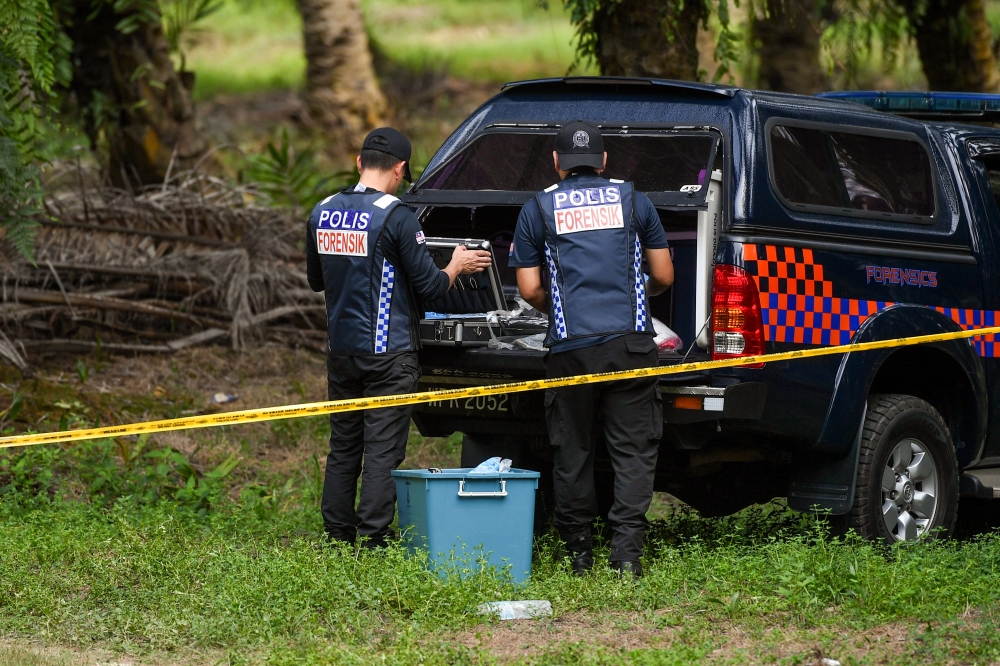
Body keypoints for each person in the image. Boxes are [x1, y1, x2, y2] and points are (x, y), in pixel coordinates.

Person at [306, 127, 492, 548]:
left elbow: (317, 281)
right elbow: (430, 288)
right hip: (390, 355)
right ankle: (373, 538)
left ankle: (338, 534)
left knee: (344, 445)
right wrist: (458, 264)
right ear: (400, 168)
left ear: (359, 162)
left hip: (341, 352)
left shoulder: (322, 211)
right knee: (383, 450)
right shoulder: (397, 216)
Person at [509, 121, 674, 579]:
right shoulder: (635, 201)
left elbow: (529, 287)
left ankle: (579, 553)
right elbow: (663, 276)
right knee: (634, 452)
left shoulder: (538, 207)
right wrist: (634, 292)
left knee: (573, 451)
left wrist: (560, 306)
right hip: (630, 347)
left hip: (571, 350)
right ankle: (626, 558)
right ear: (604, 161)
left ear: (557, 162)